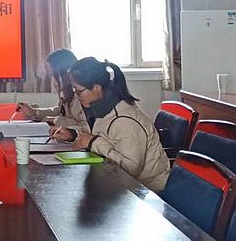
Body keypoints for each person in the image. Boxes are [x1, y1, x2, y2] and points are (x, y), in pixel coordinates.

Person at [50, 57, 170, 192]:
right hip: (121, 185)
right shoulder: (104, 109)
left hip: (146, 191)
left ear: (96, 88)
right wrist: (72, 135)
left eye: (79, 91)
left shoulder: (125, 119)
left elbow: (130, 169)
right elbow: (100, 135)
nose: (76, 96)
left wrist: (92, 143)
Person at [14, 49, 90, 131]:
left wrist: (54, 120)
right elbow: (60, 111)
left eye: (52, 75)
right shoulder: (66, 93)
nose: (52, 80)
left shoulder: (82, 95)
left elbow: (88, 128)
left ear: (66, 73)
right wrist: (34, 112)